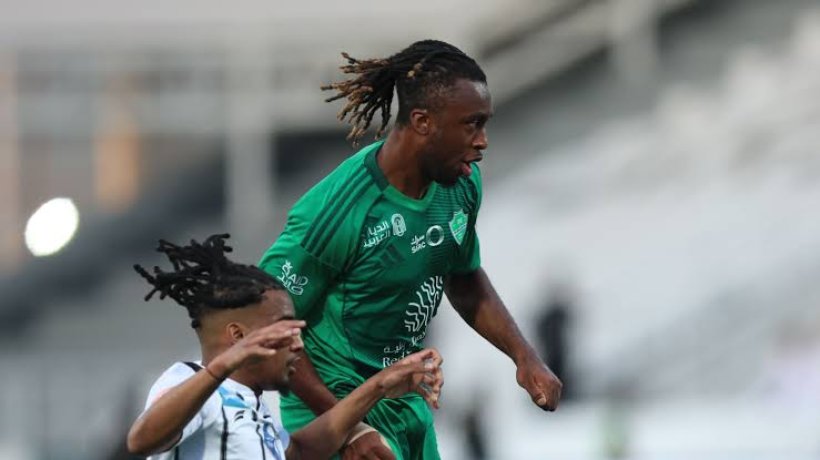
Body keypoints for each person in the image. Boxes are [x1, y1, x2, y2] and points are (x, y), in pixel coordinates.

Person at [259, 39, 562, 460]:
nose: (483, 141)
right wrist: (348, 428)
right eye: (471, 124)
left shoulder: (460, 184)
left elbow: (462, 275)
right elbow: (268, 321)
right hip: (335, 415)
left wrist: (524, 357)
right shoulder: (340, 208)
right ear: (422, 122)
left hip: (407, 407)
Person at [127, 234, 443, 459]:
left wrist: (380, 384)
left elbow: (301, 451)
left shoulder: (254, 407)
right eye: (285, 328)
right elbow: (142, 440)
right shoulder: (191, 379)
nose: (297, 344)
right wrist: (223, 365)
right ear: (238, 336)